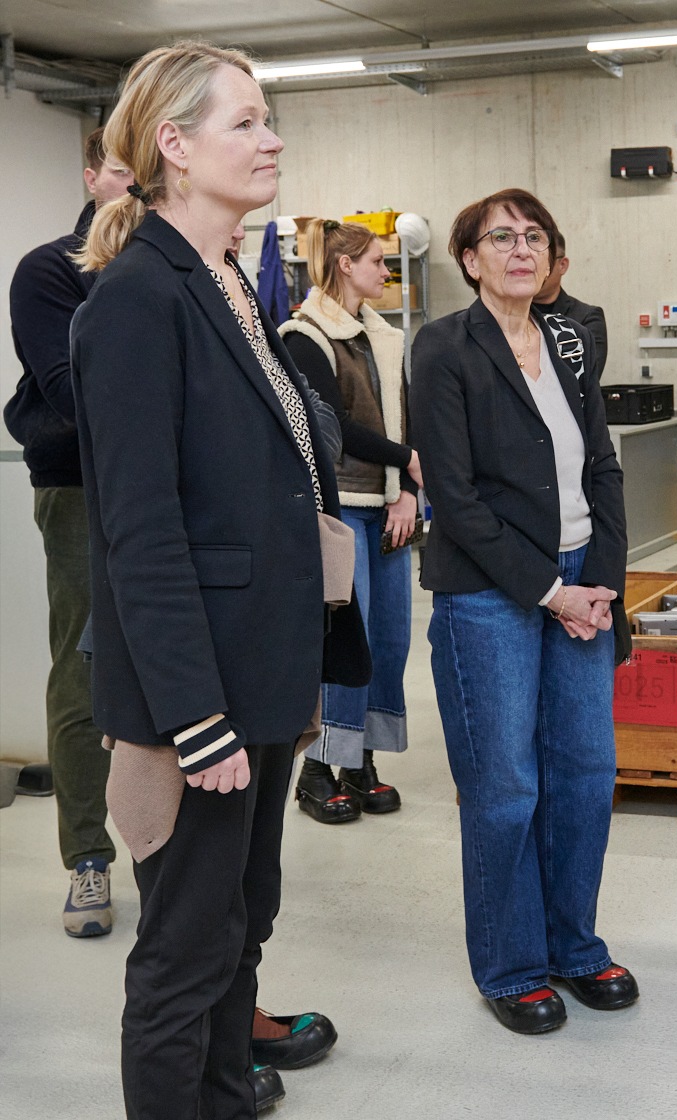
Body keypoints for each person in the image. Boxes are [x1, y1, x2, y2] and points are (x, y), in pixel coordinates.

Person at [70, 41, 369, 1119]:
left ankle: (224, 1095)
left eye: (268, 117)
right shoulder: (139, 301)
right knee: (184, 950)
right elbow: (139, 535)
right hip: (198, 700)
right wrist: (196, 719)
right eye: (245, 121)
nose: (271, 136)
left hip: (260, 679)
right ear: (176, 147)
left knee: (242, 921)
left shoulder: (228, 283)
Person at [410, 188, 636, 1035]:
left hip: (584, 581)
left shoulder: (568, 344)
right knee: (505, 785)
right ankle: (509, 965)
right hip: (491, 593)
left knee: (584, 775)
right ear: (469, 259)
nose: (519, 249)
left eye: (534, 236)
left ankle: (573, 945)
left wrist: (601, 583)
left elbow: (603, 469)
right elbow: (457, 501)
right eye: (500, 237)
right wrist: (550, 591)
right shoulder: (444, 348)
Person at [4, 128, 132, 937]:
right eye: (121, 169)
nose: (133, 184)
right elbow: (66, 387)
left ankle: (179, 851)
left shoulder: (187, 266)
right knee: (84, 672)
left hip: (178, 495)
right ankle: (88, 859)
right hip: (84, 490)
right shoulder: (52, 269)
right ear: (91, 176)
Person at [279, 218, 422, 823]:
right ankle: (316, 769)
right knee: (345, 643)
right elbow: (330, 426)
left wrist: (409, 491)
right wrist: (407, 461)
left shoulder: (383, 337)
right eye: (375, 262)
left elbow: (404, 416)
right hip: (340, 510)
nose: (385, 272)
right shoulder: (304, 334)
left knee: (389, 640)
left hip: (388, 505)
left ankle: (360, 760)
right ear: (343, 265)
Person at [532, 229, 608, 382]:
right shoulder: (511, 316)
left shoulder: (587, 317)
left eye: (544, 261)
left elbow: (585, 379)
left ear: (563, 265)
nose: (535, 269)